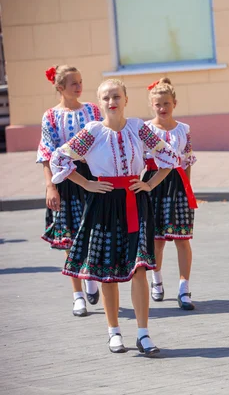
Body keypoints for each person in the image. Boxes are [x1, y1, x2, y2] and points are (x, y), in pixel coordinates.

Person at [50, 78, 178, 356]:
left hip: (135, 200)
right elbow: (59, 158)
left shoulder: (137, 128)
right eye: (106, 98)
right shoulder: (92, 131)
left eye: (116, 96)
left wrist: (150, 183)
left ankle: (143, 334)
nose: (112, 102)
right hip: (104, 203)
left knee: (140, 268)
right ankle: (114, 332)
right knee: (107, 270)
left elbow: (169, 155)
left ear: (125, 99)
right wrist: (87, 184)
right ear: (99, 103)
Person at [37, 65, 101, 317]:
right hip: (63, 179)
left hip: (92, 176)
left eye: (80, 81)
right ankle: (77, 295)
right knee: (70, 238)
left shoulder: (93, 110)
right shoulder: (50, 117)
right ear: (60, 88)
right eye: (73, 83)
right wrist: (50, 186)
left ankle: (91, 277)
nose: (79, 86)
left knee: (95, 230)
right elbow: (46, 154)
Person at [143, 78, 198, 310]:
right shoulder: (145, 129)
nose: (162, 108)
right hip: (154, 184)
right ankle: (156, 280)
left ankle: (184, 288)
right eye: (158, 104)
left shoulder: (183, 130)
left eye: (166, 103)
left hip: (177, 185)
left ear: (174, 103)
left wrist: (188, 189)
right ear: (151, 105)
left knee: (182, 239)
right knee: (157, 239)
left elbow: (186, 161)